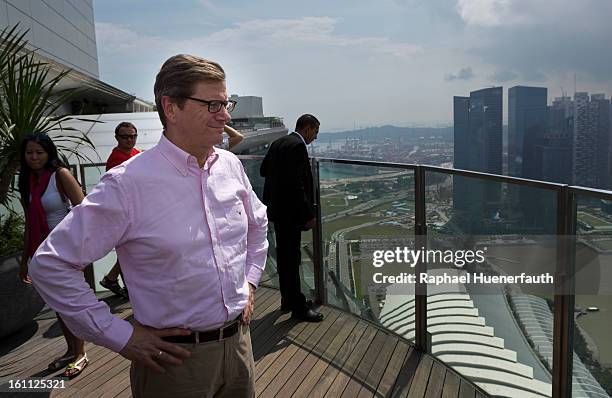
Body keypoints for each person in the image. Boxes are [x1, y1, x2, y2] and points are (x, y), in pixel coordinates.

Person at [29, 54, 268, 397]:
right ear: (171, 108)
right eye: (213, 104)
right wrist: (120, 335)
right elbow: (49, 265)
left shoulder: (229, 166)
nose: (226, 115)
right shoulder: (127, 185)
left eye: (225, 102)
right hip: (173, 364)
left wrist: (249, 283)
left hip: (241, 346)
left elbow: (258, 225)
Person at [18, 133, 89, 378]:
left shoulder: (61, 175)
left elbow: (85, 211)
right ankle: (71, 350)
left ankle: (80, 353)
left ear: (49, 153)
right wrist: (24, 260)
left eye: (39, 152)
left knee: (70, 303)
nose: (34, 157)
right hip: (41, 253)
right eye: (29, 153)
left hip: (64, 251)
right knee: (59, 304)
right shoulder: (27, 181)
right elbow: (29, 222)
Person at [260, 114, 324, 322]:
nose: (315, 137)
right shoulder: (297, 147)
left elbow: (263, 171)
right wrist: (308, 214)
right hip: (291, 213)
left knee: (285, 258)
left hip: (277, 211)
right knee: (292, 258)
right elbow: (298, 186)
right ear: (306, 129)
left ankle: (287, 299)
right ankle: (298, 306)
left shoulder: (278, 143)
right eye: (315, 132)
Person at [100, 121, 141, 299]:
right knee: (129, 251)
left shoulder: (135, 153)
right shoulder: (115, 160)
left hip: (138, 208)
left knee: (131, 250)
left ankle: (111, 278)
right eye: (125, 137)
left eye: (133, 136)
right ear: (117, 138)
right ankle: (132, 292)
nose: (130, 140)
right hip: (124, 211)